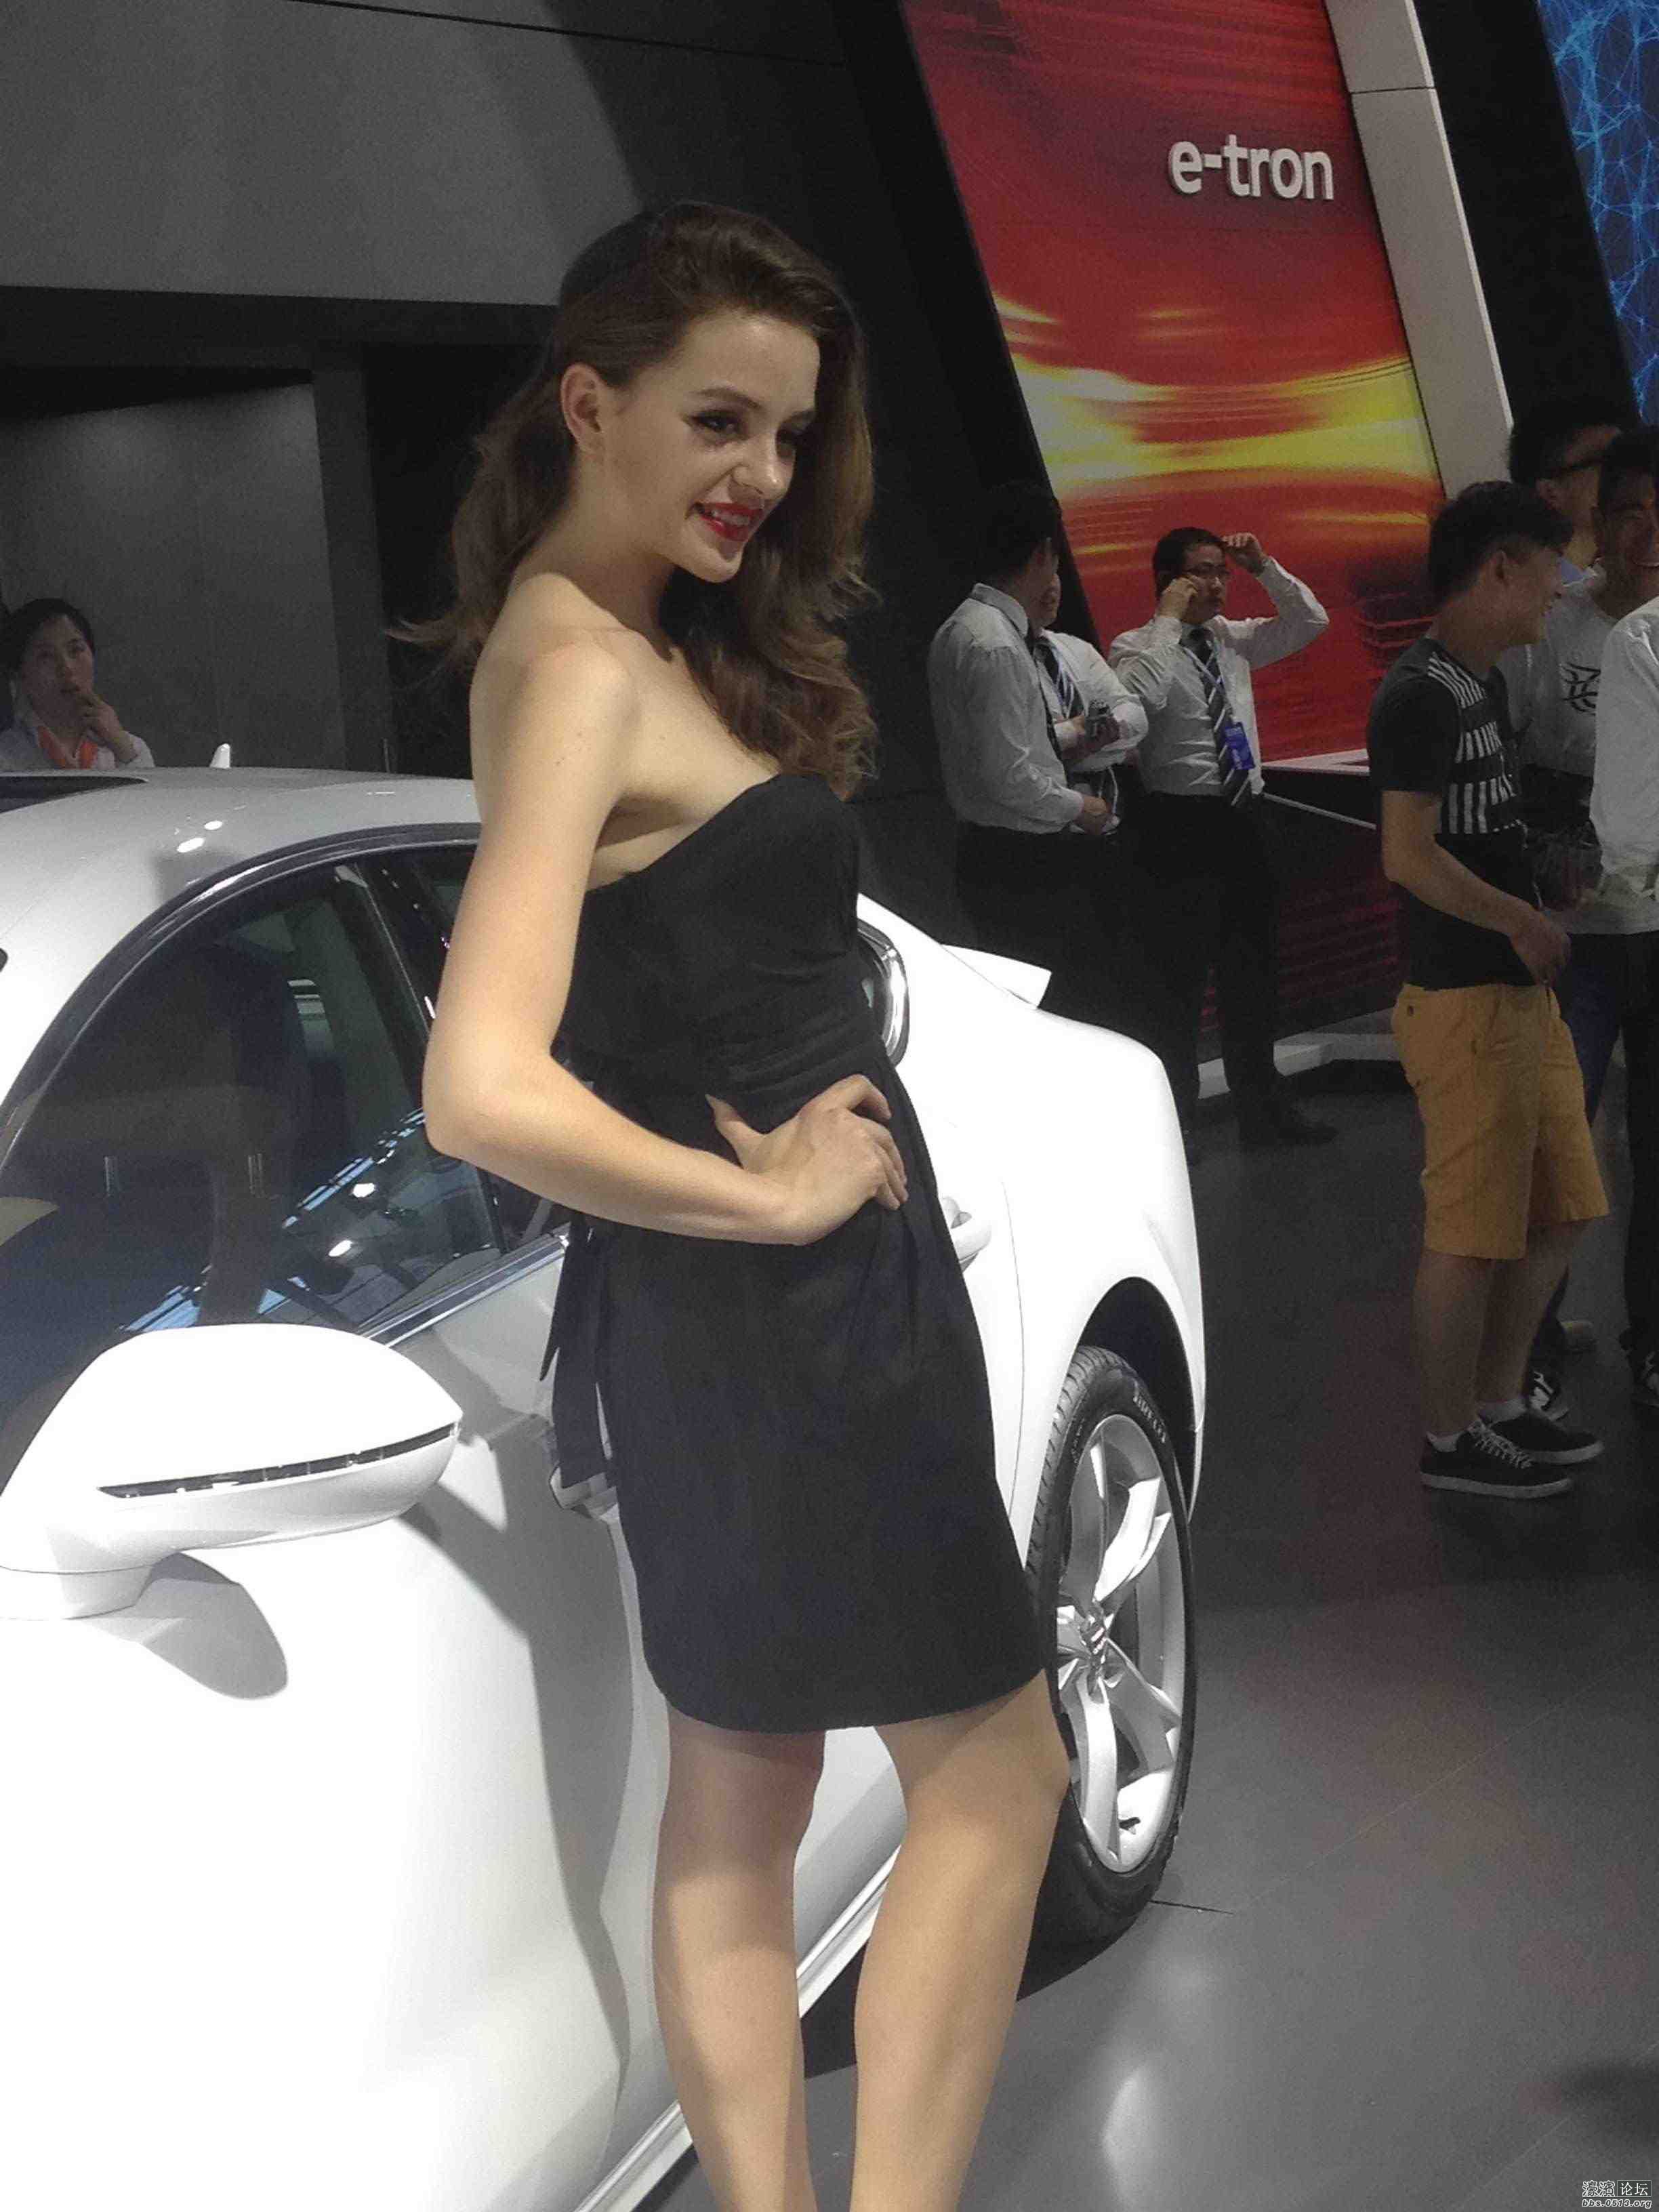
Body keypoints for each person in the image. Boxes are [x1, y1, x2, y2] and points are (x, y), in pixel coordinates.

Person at [415, 204, 1071, 2212]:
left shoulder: (619, 644)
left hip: (759, 1314)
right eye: (717, 420)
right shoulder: (574, 664)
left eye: (785, 434)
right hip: (793, 1320)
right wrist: (767, 1204)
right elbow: (478, 1082)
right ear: (585, 402)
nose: (761, 476)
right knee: (997, 1774)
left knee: (744, 1777)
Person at [1368, 480, 1608, 1498]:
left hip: (1517, 995)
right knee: (1469, 1234)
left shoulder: (1480, 687)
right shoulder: (1420, 694)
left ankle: (1499, 1401)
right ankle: (1447, 1435)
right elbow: (1408, 855)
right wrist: (1519, 917)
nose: (1559, 589)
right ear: (1500, 568)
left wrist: (1544, 885)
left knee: (1564, 1208)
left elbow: (1475, 834)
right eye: (1548, 569)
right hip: (1465, 1001)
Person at [1506, 427, 1659, 1412]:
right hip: (1581, 937)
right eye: (1628, 514)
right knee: (1557, 1146)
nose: (1648, 533)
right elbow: (1508, 767)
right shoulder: (1554, 627)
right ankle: (1529, 1349)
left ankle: (1653, 1338)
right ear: (1595, 525)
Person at [1107, 525, 1333, 1155]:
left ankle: (1263, 1111)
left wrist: (1263, 566)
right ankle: (1174, 1125)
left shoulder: (1232, 639)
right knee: (1177, 986)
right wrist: (1167, 620)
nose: (1216, 585)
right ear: (1169, 581)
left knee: (1252, 975)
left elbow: (1310, 622)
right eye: (1201, 573)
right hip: (1178, 824)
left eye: (1221, 572)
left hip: (1244, 817)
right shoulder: (1135, 647)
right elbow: (1138, 702)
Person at [928, 480, 1145, 1025]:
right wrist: (1082, 807)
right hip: (1027, 865)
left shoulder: (969, 628)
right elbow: (1010, 775)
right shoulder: (996, 643)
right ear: (1043, 552)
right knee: (1080, 1013)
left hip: (1003, 858)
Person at [0, 598, 152, 771]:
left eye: (76, 650)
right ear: (19, 674)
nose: (67, 668)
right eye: (46, 656)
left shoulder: (131, 749)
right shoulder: (5, 755)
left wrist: (123, 751)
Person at [1507, 392, 1635, 581]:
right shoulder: (1528, 592)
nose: (1630, 474)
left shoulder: (1603, 583)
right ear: (1550, 492)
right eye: (1610, 461)